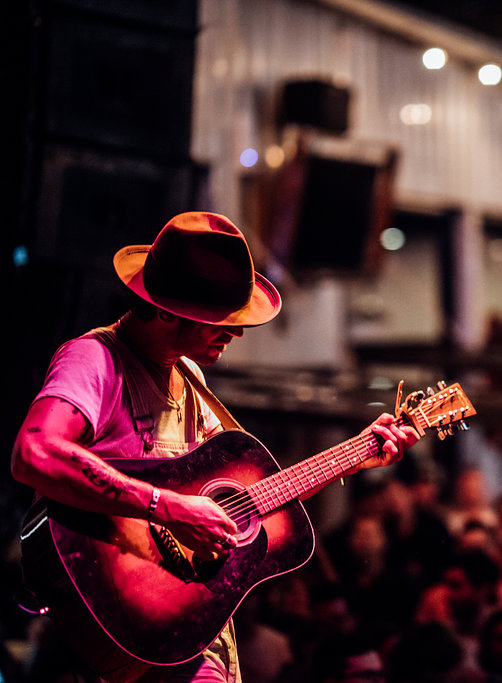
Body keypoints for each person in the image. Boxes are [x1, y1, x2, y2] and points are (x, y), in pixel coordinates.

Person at [10, 212, 419, 682]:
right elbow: (33, 453)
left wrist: (360, 453)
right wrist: (167, 507)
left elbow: (246, 504)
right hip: (119, 621)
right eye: (215, 319)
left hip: (191, 635)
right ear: (164, 310)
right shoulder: (95, 358)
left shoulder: (191, 379)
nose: (236, 333)